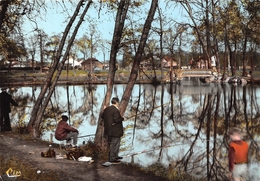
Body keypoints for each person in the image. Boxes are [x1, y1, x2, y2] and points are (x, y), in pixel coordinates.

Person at [101, 97, 124, 164]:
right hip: (115, 131)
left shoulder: (106, 109)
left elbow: (102, 116)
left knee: (116, 144)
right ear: (116, 102)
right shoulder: (116, 110)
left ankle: (115, 156)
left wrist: (104, 110)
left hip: (108, 130)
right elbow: (116, 120)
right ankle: (112, 159)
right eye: (118, 103)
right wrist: (122, 119)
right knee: (115, 144)